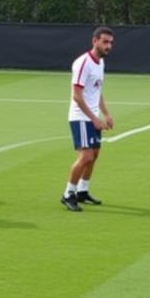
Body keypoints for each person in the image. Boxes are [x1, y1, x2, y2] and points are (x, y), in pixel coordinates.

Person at [62, 26, 115, 212]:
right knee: (86, 156)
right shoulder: (83, 63)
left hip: (92, 116)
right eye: (105, 42)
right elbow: (76, 95)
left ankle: (83, 191)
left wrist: (106, 114)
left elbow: (97, 91)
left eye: (110, 42)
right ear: (95, 41)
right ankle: (68, 193)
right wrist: (93, 118)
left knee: (95, 155)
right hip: (80, 117)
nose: (108, 46)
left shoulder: (100, 63)